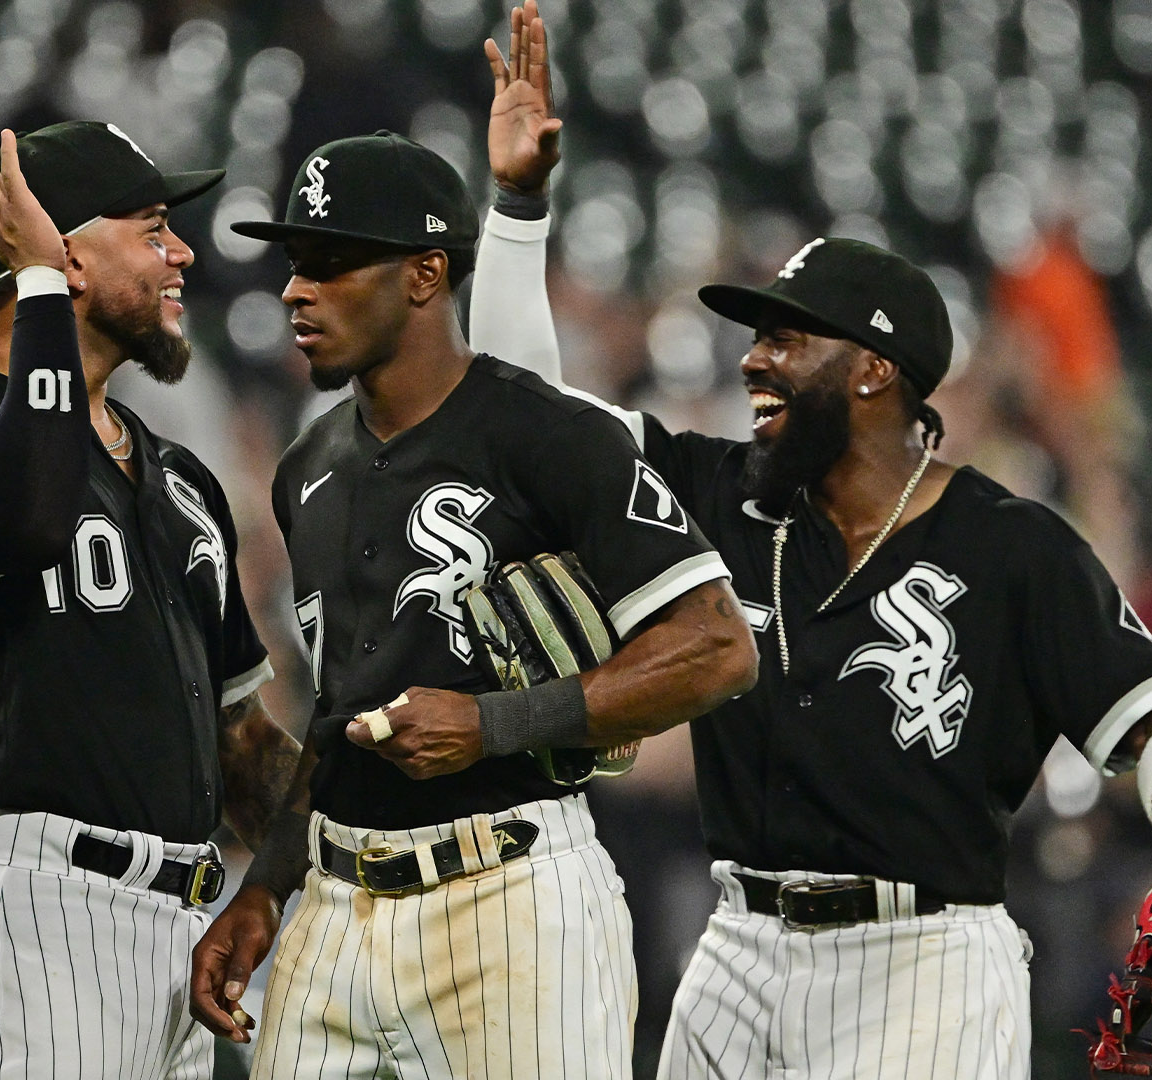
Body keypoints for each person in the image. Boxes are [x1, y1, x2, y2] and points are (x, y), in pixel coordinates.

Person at [467, 8, 1152, 1075]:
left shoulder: (1010, 546)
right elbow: (515, 418)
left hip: (927, 962)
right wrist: (517, 208)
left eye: (787, 339)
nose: (754, 362)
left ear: (875, 372)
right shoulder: (719, 491)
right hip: (736, 947)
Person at [187, 130, 758, 1078]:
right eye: (295, 265)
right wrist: (267, 887)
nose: (296, 290)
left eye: (331, 264)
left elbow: (715, 646)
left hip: (513, 898)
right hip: (336, 905)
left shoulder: (553, 435)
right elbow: (337, 722)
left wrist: (498, 722)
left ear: (424, 275)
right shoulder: (305, 472)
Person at [0, 114, 300, 1080]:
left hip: (183, 935)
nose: (183, 253)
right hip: (28, 920)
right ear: (59, 254)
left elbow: (239, 744)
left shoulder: (181, 477)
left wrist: (336, 850)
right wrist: (35, 295)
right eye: (152, 228)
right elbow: (25, 515)